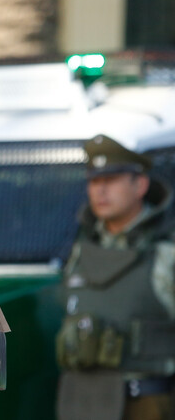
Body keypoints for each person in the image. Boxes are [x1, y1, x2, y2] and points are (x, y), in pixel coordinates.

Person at [56, 134, 175, 420]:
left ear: (140, 185)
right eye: (94, 182)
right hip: (81, 402)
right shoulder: (78, 251)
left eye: (111, 180)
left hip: (145, 403)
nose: (100, 191)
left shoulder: (165, 253)